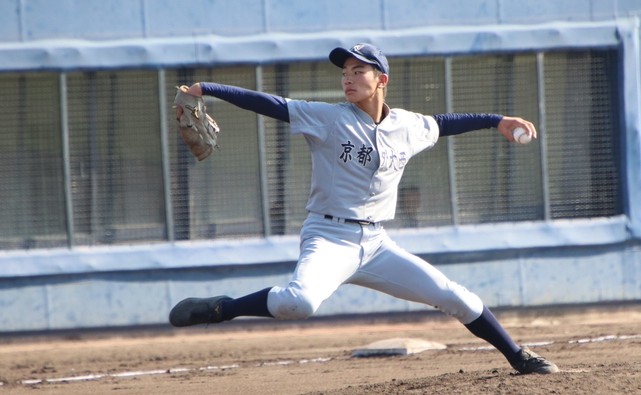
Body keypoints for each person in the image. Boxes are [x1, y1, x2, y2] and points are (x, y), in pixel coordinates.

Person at [169, 43, 557, 374]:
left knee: (456, 297)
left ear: (381, 80)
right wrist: (208, 88)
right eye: (345, 72)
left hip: (376, 244)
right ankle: (222, 308)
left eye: (358, 71)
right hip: (329, 236)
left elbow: (446, 122)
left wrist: (498, 121)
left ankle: (519, 357)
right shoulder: (329, 118)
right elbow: (270, 104)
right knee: (299, 303)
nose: (347, 78)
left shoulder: (408, 125)